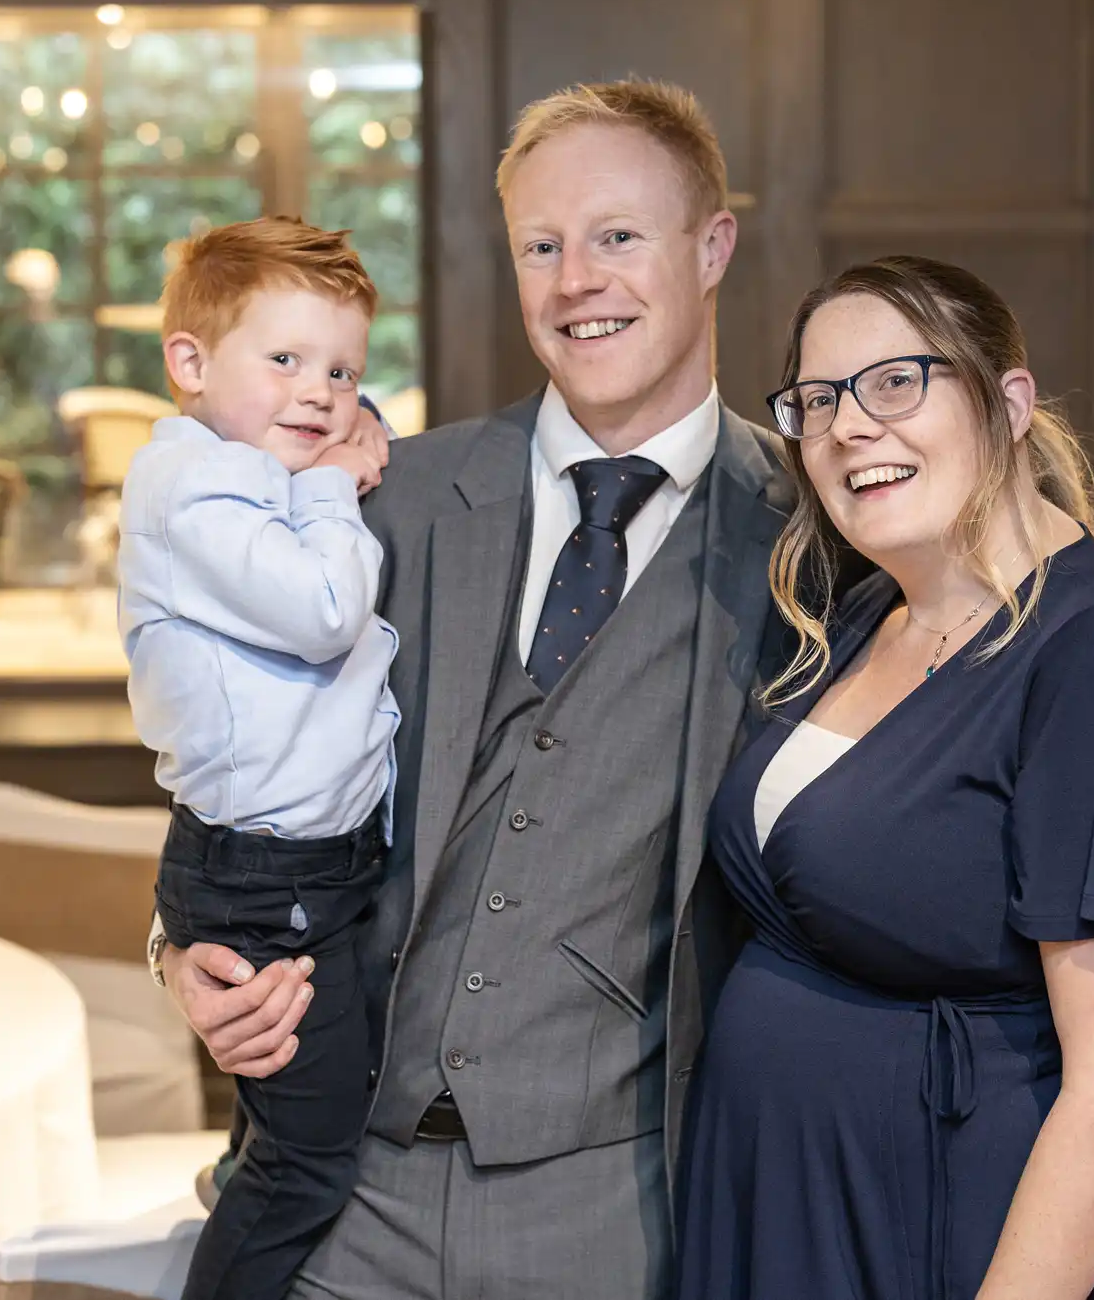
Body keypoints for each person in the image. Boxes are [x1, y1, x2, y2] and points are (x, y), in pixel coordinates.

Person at [152, 80, 787, 1298]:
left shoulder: (812, 539)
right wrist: (178, 947)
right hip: (341, 1202)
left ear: (711, 247)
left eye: (616, 237)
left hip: (618, 1217)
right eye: (540, 247)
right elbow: (231, 729)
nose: (574, 281)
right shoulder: (377, 497)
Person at [673, 255, 1094, 1299]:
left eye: (895, 381)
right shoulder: (865, 616)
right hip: (800, 1205)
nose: (848, 425)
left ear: (1009, 400)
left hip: (962, 1228)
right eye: (816, 401)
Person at [120, 216, 399, 1300]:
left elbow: (313, 436)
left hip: (302, 866)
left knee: (278, 1132)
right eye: (284, 360)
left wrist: (348, 431)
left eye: (343, 369)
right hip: (264, 874)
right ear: (189, 364)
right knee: (308, 1156)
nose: (320, 393)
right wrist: (336, 480)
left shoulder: (246, 465)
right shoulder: (188, 486)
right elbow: (325, 610)